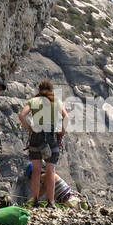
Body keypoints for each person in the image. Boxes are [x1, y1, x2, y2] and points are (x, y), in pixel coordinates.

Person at [19, 79, 68, 207]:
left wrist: (29, 128)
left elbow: (22, 115)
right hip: (51, 135)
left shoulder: (34, 101)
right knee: (50, 170)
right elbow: (66, 117)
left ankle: (35, 200)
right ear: (51, 90)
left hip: (36, 136)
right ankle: (50, 202)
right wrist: (61, 132)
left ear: (39, 90)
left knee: (36, 169)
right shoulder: (56, 101)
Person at [12, 162, 79, 206]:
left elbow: (41, 192)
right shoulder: (47, 176)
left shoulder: (46, 176)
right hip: (66, 200)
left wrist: (30, 202)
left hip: (69, 200)